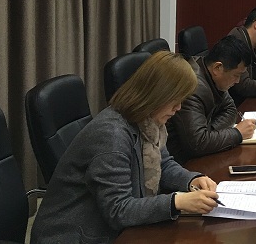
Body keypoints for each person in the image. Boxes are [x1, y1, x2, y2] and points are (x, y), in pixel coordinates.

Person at [31, 51, 220, 244]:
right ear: (158, 95)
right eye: (176, 100)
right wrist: (176, 201)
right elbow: (118, 210)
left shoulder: (149, 121)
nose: (178, 108)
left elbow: (163, 163)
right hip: (71, 236)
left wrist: (192, 180)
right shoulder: (111, 135)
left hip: (110, 228)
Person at [167, 36, 256, 164]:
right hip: (183, 163)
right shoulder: (192, 87)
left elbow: (231, 109)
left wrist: (209, 133)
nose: (237, 81)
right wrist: (237, 133)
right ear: (217, 68)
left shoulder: (209, 72)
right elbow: (198, 143)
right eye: (236, 75)